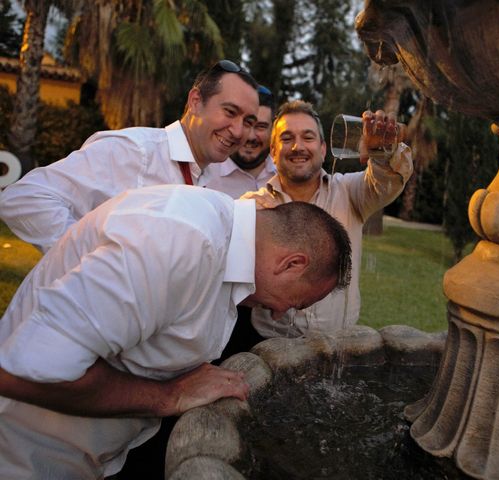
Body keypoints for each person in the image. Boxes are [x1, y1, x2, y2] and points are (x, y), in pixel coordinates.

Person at [0, 184, 352, 479]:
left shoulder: (225, 242)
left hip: (88, 460)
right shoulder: (179, 242)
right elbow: (26, 373)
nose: (280, 312)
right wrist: (168, 396)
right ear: (292, 263)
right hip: (27, 459)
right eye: (296, 303)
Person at [0, 60, 259, 253]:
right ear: (194, 101)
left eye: (248, 121)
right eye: (229, 112)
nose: (238, 131)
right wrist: (91, 260)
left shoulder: (215, 178)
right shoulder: (135, 151)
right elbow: (25, 197)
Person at [242, 100, 413, 339]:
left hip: (339, 347)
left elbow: (387, 182)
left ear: (323, 149)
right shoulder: (252, 207)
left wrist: (382, 152)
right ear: (273, 152)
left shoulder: (350, 192)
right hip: (267, 343)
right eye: (287, 138)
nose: (297, 147)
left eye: (308, 137)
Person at [206, 85, 277, 198]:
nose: (251, 137)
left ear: (273, 129)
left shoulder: (285, 175)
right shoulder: (205, 176)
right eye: (246, 124)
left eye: (261, 126)